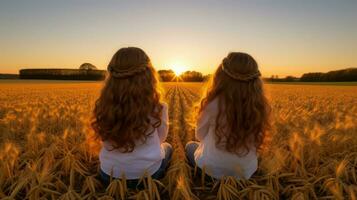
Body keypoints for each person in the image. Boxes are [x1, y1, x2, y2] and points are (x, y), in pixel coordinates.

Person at [92, 47, 171, 188]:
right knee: (168, 147)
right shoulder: (159, 107)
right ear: (149, 75)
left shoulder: (103, 106)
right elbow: (161, 139)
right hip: (148, 175)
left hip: (108, 175)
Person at [185, 52, 271, 180]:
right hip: (245, 173)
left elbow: (200, 136)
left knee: (190, 145)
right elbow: (258, 141)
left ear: (220, 76)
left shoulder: (212, 104)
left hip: (210, 170)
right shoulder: (262, 107)